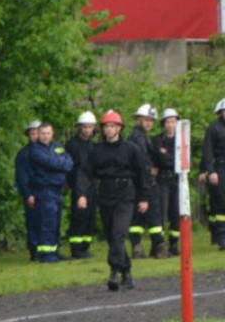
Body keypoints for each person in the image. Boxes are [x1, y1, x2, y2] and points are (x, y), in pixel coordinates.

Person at [76, 110, 150, 291]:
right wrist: (82, 194)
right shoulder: (95, 150)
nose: (109, 130)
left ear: (119, 128)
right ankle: (127, 272)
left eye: (112, 126)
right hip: (105, 193)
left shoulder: (131, 149)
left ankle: (114, 271)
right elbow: (85, 173)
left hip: (126, 195)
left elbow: (142, 174)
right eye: (106, 126)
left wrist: (144, 198)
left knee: (118, 233)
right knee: (111, 237)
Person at [27, 122, 73, 262]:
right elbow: (50, 162)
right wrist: (59, 163)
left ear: (52, 134)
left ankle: (55, 250)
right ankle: (46, 254)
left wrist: (57, 163)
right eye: (43, 133)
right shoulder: (35, 150)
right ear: (38, 134)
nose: (46, 136)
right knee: (47, 222)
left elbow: (69, 163)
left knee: (57, 221)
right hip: (44, 190)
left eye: (48, 133)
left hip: (58, 190)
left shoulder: (57, 146)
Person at [127, 103, 167, 259]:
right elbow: (142, 163)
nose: (149, 123)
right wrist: (151, 169)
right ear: (138, 119)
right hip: (145, 183)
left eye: (151, 120)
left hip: (136, 183)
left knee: (136, 218)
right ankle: (159, 246)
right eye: (146, 119)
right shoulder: (139, 139)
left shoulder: (138, 137)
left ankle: (137, 247)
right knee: (154, 216)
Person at [65, 111, 98, 259]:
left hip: (92, 185)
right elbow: (73, 170)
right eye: (84, 127)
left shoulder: (93, 145)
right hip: (78, 185)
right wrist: (79, 193)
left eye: (90, 127)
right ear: (80, 127)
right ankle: (76, 249)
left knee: (90, 217)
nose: (87, 130)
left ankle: (85, 247)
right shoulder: (72, 145)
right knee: (79, 217)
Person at [152, 108, 181, 256]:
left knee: (176, 213)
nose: (170, 124)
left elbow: (181, 160)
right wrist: (171, 158)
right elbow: (159, 159)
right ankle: (159, 245)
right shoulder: (157, 140)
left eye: (173, 121)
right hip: (162, 180)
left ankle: (174, 244)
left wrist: (167, 157)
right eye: (168, 122)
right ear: (163, 124)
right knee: (161, 213)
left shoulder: (181, 140)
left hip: (177, 180)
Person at [199, 97, 225, 250]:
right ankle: (221, 237)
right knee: (221, 203)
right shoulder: (214, 128)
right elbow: (207, 152)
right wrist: (211, 172)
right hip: (220, 169)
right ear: (220, 112)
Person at [15, 120, 42, 260]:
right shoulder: (24, 154)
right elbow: (21, 176)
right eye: (33, 133)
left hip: (46, 193)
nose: (36, 136)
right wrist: (27, 194)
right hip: (32, 192)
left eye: (38, 132)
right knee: (33, 223)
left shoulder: (48, 151)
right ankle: (34, 251)